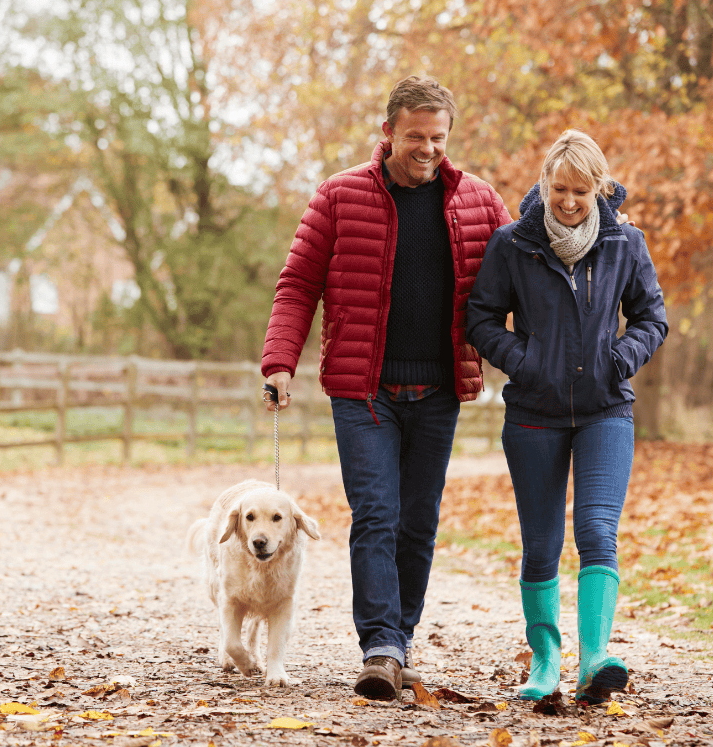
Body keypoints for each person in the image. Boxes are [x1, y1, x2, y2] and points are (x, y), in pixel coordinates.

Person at [261, 75, 512, 700]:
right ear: (388, 132)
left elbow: (521, 278)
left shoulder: (479, 203)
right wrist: (279, 362)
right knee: (376, 514)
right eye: (414, 137)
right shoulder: (339, 196)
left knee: (418, 521)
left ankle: (398, 638)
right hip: (362, 389)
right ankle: (379, 644)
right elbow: (297, 285)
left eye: (438, 138)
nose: (427, 149)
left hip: (439, 392)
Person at [465, 129, 668, 704]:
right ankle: (547, 660)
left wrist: (619, 359)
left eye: (581, 190)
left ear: (600, 189)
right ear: (545, 184)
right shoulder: (513, 245)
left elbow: (652, 318)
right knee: (541, 543)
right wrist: (523, 363)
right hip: (534, 414)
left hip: (606, 410)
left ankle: (595, 656)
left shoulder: (625, 243)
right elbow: (481, 320)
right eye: (560, 189)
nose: (570, 201)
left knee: (598, 531)